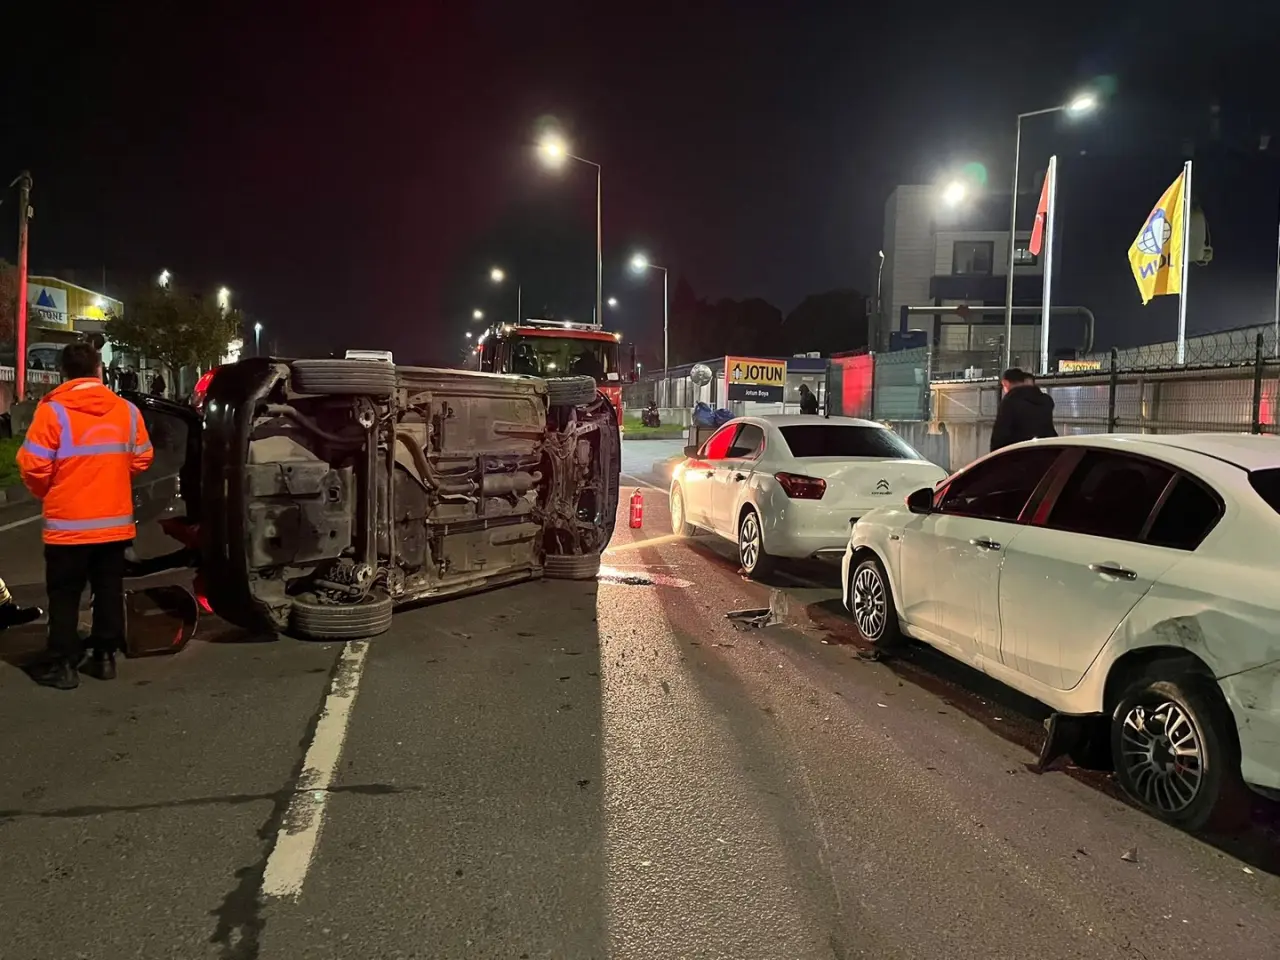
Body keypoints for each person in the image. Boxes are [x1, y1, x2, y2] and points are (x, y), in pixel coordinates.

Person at [16, 343, 154, 689]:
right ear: (98, 370)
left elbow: (33, 466)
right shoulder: (126, 411)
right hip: (114, 523)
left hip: (68, 525)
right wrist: (111, 478)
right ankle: (104, 657)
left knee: (64, 594)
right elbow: (142, 457)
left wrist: (51, 491)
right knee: (108, 589)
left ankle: (63, 664)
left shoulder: (53, 412)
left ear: (63, 372)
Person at [990, 367, 1057, 451]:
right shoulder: (1045, 401)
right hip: (1046, 450)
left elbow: (1001, 434)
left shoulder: (1010, 401)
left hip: (1019, 453)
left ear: (1005, 383)